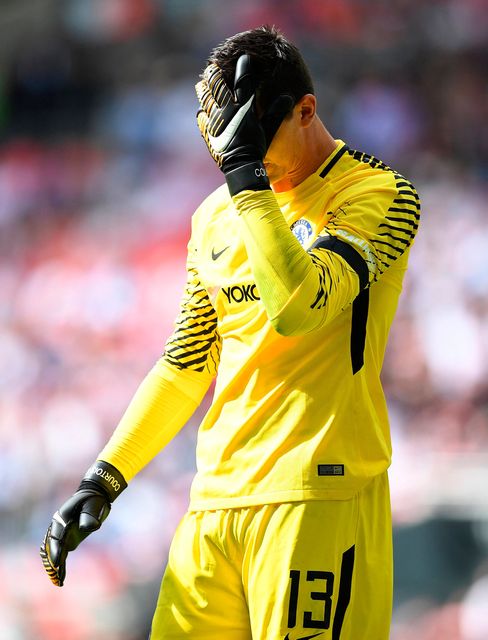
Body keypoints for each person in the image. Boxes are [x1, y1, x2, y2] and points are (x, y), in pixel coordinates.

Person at [40, 25, 420, 640]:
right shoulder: (215, 216)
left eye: (254, 144)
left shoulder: (380, 194)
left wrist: (245, 180)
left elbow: (301, 306)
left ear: (306, 110)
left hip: (316, 499)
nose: (244, 163)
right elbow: (186, 362)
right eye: (226, 149)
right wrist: (105, 476)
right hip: (214, 504)